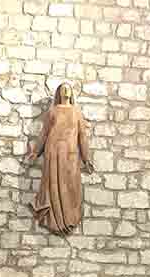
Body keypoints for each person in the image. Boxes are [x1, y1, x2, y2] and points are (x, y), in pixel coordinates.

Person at [27, 82, 93, 235]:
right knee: (54, 184)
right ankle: (55, 218)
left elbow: (82, 136)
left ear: (71, 93)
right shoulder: (53, 111)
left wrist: (86, 158)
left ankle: (69, 218)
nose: (65, 91)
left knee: (71, 184)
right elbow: (44, 133)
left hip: (70, 153)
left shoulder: (76, 112)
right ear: (59, 92)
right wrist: (36, 152)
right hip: (53, 151)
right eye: (63, 88)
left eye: (68, 88)